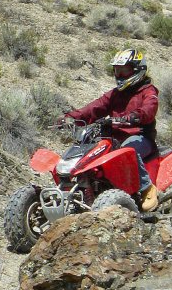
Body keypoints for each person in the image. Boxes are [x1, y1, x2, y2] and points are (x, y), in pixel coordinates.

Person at [61, 48, 160, 211]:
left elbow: (149, 110)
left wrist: (132, 117)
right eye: (117, 71)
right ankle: (84, 189)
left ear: (137, 70)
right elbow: (94, 107)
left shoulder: (148, 91)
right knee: (88, 151)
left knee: (128, 151)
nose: (120, 76)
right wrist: (71, 117)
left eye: (124, 71)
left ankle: (147, 188)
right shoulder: (115, 94)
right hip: (113, 139)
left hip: (140, 138)